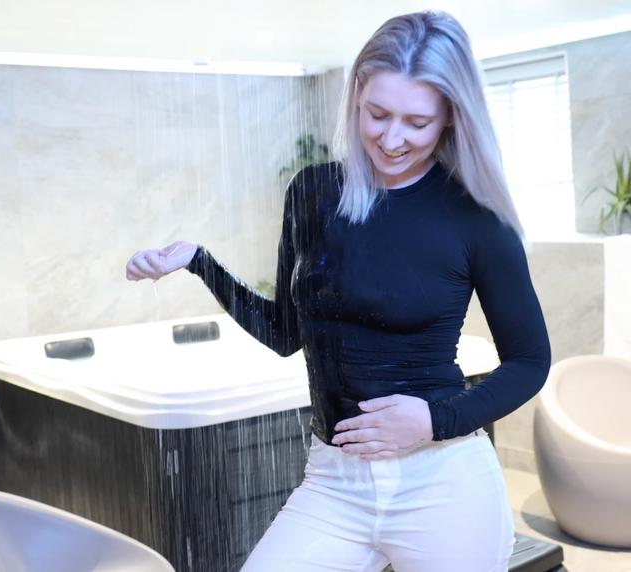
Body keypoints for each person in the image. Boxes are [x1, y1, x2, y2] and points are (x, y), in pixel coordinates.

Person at [125, 11, 550, 572]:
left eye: (417, 122)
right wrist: (200, 263)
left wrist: (433, 420)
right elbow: (284, 335)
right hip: (333, 481)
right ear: (356, 94)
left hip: (442, 478)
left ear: (450, 116)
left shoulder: (476, 218)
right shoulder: (313, 192)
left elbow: (530, 361)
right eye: (378, 114)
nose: (392, 139)